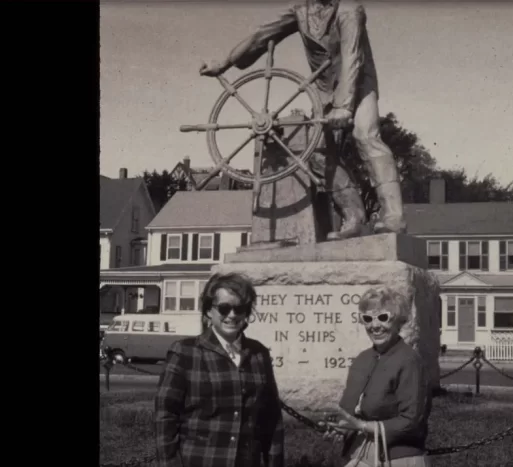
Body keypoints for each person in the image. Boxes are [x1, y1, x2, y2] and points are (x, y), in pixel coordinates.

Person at [199, 0, 407, 240]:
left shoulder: (350, 9)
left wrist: (343, 107)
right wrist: (225, 63)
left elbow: (352, 57)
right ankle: (354, 217)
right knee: (317, 152)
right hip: (324, 86)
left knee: (366, 136)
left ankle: (394, 216)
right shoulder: (300, 10)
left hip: (358, 83)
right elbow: (261, 35)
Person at [154, 273, 284, 467]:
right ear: (208, 311)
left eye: (239, 308)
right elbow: (165, 416)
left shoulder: (259, 354)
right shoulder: (185, 353)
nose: (232, 315)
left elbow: (272, 418)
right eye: (224, 308)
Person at [327, 286, 433, 467]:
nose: (375, 326)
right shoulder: (362, 360)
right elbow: (350, 413)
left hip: (398, 459)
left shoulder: (409, 361)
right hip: (360, 455)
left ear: (399, 321)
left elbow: (411, 421)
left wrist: (361, 426)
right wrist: (341, 428)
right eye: (368, 319)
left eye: (383, 318)